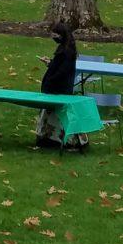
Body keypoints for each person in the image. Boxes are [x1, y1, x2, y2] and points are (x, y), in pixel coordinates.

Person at [36, 23, 88, 151]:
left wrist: (50, 81)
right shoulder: (64, 49)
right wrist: (50, 63)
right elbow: (59, 67)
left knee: (57, 116)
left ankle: (57, 140)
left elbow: (62, 72)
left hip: (59, 90)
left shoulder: (67, 52)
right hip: (56, 88)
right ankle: (47, 138)